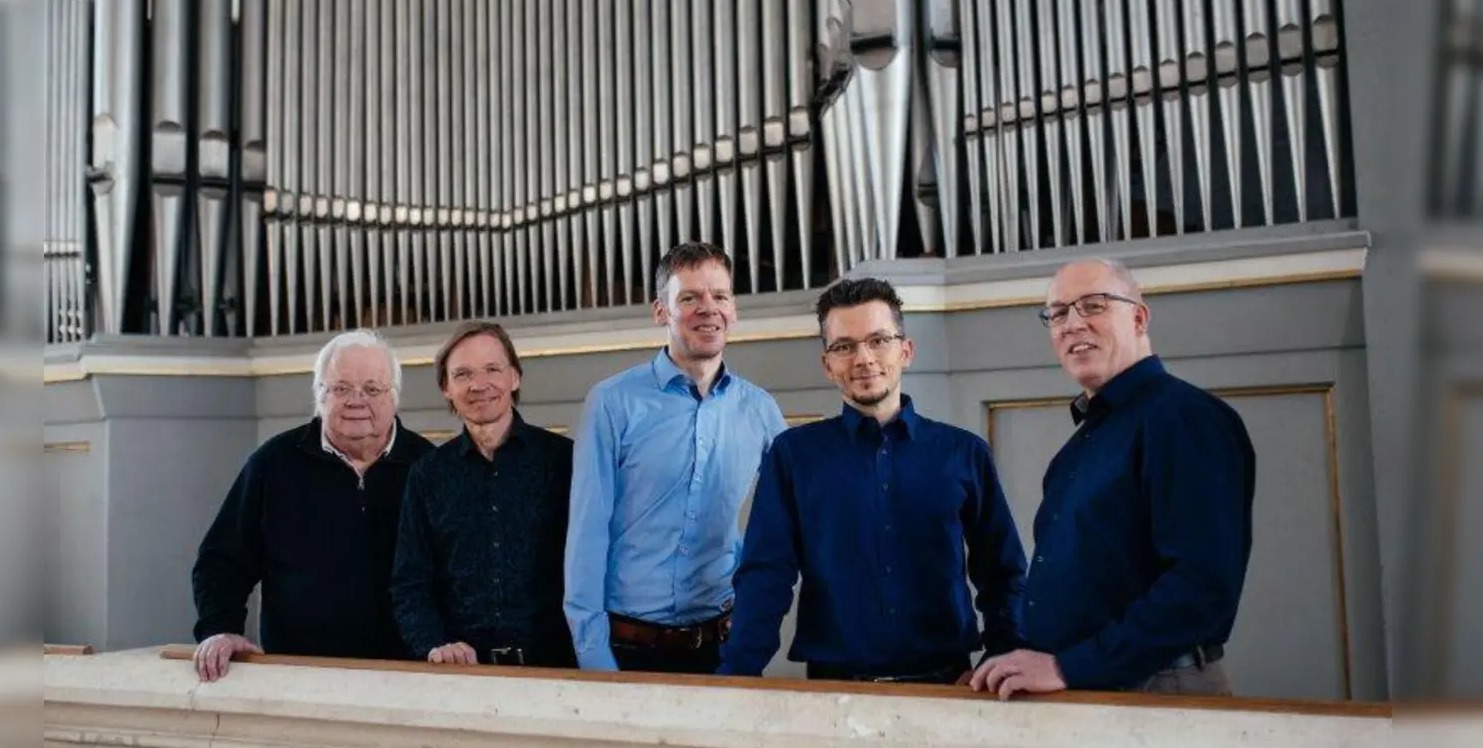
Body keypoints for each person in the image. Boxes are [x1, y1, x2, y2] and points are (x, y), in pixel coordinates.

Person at [968, 257, 1256, 699]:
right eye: (1058, 313)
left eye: (1094, 305)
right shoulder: (1079, 447)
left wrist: (1069, 666)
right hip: (1088, 682)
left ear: (1139, 317)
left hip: (1158, 685)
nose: (1072, 323)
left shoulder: (1185, 419)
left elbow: (1201, 587)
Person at [718, 277, 1027, 682]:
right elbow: (766, 576)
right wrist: (736, 677)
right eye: (844, 346)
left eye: (878, 340)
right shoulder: (793, 456)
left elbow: (1002, 572)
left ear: (906, 351)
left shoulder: (964, 453)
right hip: (834, 687)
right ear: (828, 364)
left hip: (947, 684)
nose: (863, 358)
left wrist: (1004, 659)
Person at [564, 241, 787, 674]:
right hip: (627, 650)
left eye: (719, 296)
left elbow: (784, 531)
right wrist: (595, 661)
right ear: (661, 312)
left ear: (734, 310)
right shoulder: (612, 403)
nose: (709, 308)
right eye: (689, 297)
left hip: (721, 648)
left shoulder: (761, 412)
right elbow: (587, 536)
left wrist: (748, 646)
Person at [190, 329, 435, 681]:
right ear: (319, 395)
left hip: (406, 675)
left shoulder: (429, 467)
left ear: (394, 397)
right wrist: (219, 628)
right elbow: (221, 561)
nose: (356, 400)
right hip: (295, 675)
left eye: (372, 388)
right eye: (341, 388)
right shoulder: (273, 463)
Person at [391, 321, 576, 668]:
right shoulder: (427, 475)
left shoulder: (565, 460)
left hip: (556, 667)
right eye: (462, 374)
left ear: (515, 377)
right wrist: (434, 644)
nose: (479, 385)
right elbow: (410, 582)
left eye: (492, 369)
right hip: (462, 674)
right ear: (446, 387)